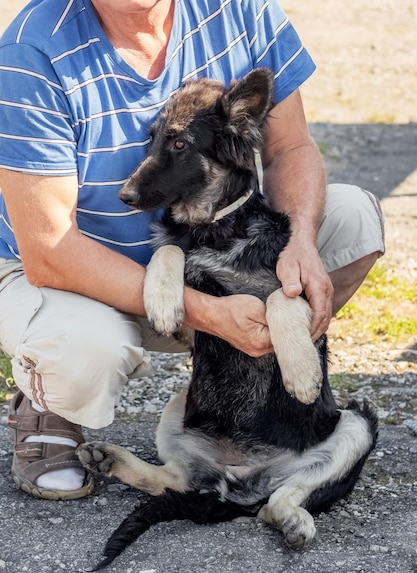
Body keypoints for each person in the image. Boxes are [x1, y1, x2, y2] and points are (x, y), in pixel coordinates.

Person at [0, 0, 384, 500]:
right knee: (86, 350)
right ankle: (47, 403)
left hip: (207, 250)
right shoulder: (33, 51)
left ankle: (243, 383)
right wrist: (209, 312)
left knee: (353, 218)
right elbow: (50, 250)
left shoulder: (239, 9)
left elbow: (289, 147)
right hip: (74, 276)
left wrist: (301, 243)